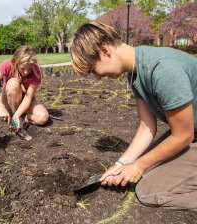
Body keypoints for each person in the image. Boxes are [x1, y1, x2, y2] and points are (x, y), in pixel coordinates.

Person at [70, 21, 197, 211]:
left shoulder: (161, 69)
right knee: (143, 168)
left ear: (105, 51)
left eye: (92, 69)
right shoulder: (135, 72)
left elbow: (182, 136)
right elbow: (147, 127)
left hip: (189, 133)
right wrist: (122, 164)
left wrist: (138, 166)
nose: (96, 77)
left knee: (149, 190)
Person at [0, 45, 49, 130]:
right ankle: (13, 116)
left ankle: (19, 117)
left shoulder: (36, 71)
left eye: (29, 69)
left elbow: (28, 98)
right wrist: (1, 107)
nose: (26, 72)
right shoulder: (7, 65)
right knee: (13, 83)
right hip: (9, 100)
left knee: (43, 117)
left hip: (25, 101)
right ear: (15, 62)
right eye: (22, 68)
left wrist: (18, 115)